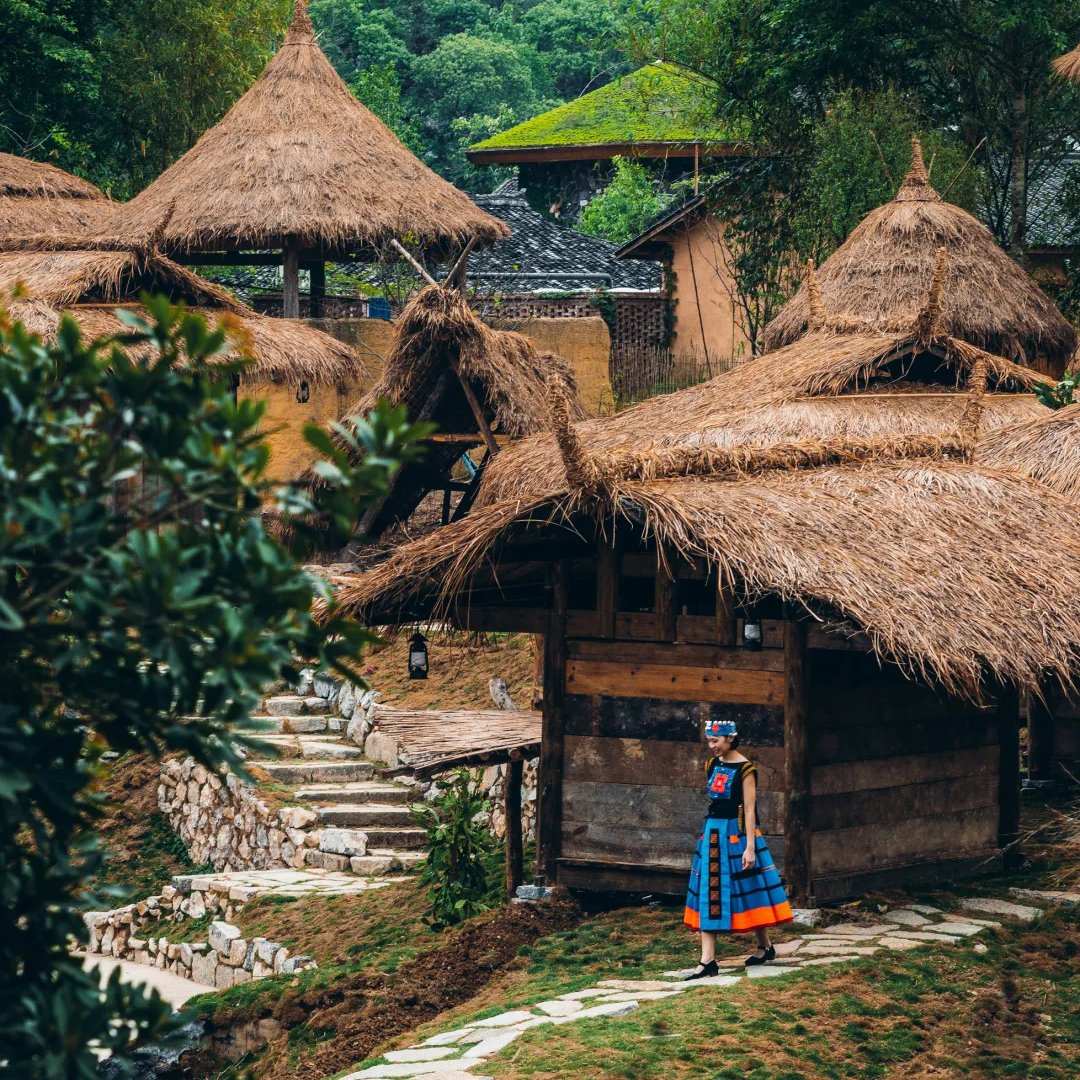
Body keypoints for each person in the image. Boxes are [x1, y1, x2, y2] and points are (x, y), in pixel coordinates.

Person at [683, 719, 793, 978]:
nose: (711, 746)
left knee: (749, 888)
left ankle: (765, 946)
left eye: (715, 741)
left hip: (737, 833)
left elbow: (750, 808)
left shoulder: (746, 769)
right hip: (712, 833)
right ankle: (707, 960)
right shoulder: (711, 765)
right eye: (709, 741)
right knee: (709, 891)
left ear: (730, 739)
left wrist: (750, 847)